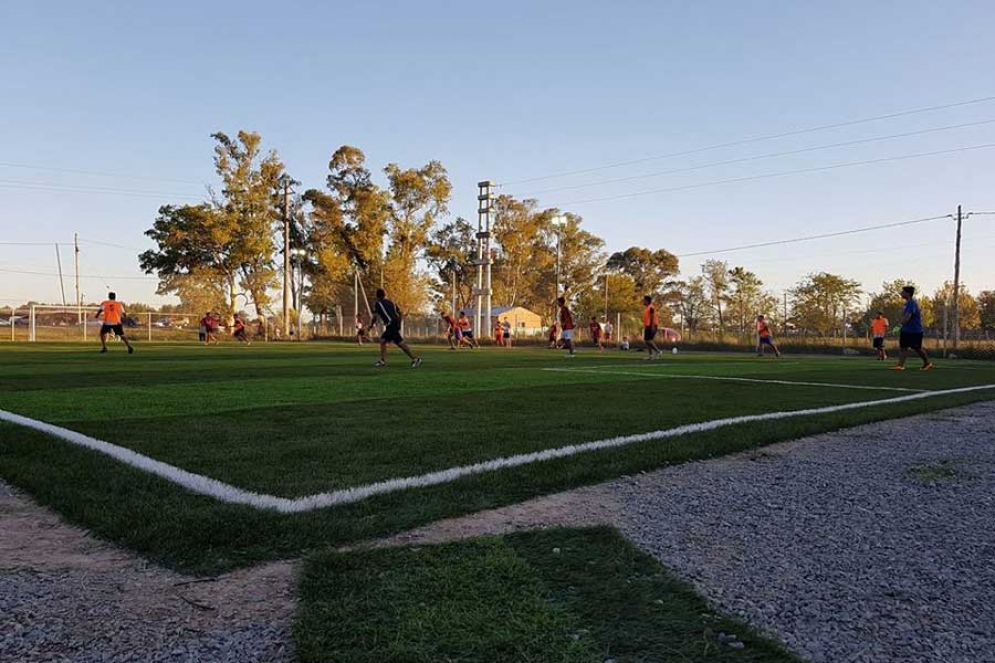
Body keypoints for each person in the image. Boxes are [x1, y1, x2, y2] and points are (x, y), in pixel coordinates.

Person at [371, 288, 421, 368]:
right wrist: (399, 323)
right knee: (387, 341)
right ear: (385, 295)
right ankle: (382, 360)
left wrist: (370, 326)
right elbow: (400, 313)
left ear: (377, 296)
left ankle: (415, 359)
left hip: (391, 324)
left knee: (395, 342)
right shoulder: (392, 302)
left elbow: (375, 317)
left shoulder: (378, 304)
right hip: (394, 324)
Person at [892, 286, 932, 371]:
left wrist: (898, 326)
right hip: (906, 330)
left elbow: (908, 317)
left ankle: (927, 363)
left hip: (914, 330)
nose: (901, 293)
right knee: (903, 347)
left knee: (917, 348)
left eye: (903, 292)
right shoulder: (906, 304)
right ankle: (900, 366)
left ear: (908, 293)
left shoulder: (912, 303)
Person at [642, 295, 661, 360]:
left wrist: (652, 326)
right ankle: (651, 355)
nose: (643, 301)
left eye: (644, 300)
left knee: (649, 340)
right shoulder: (647, 308)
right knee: (646, 341)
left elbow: (652, 316)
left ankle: (658, 351)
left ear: (647, 301)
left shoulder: (651, 307)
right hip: (647, 326)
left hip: (651, 325)